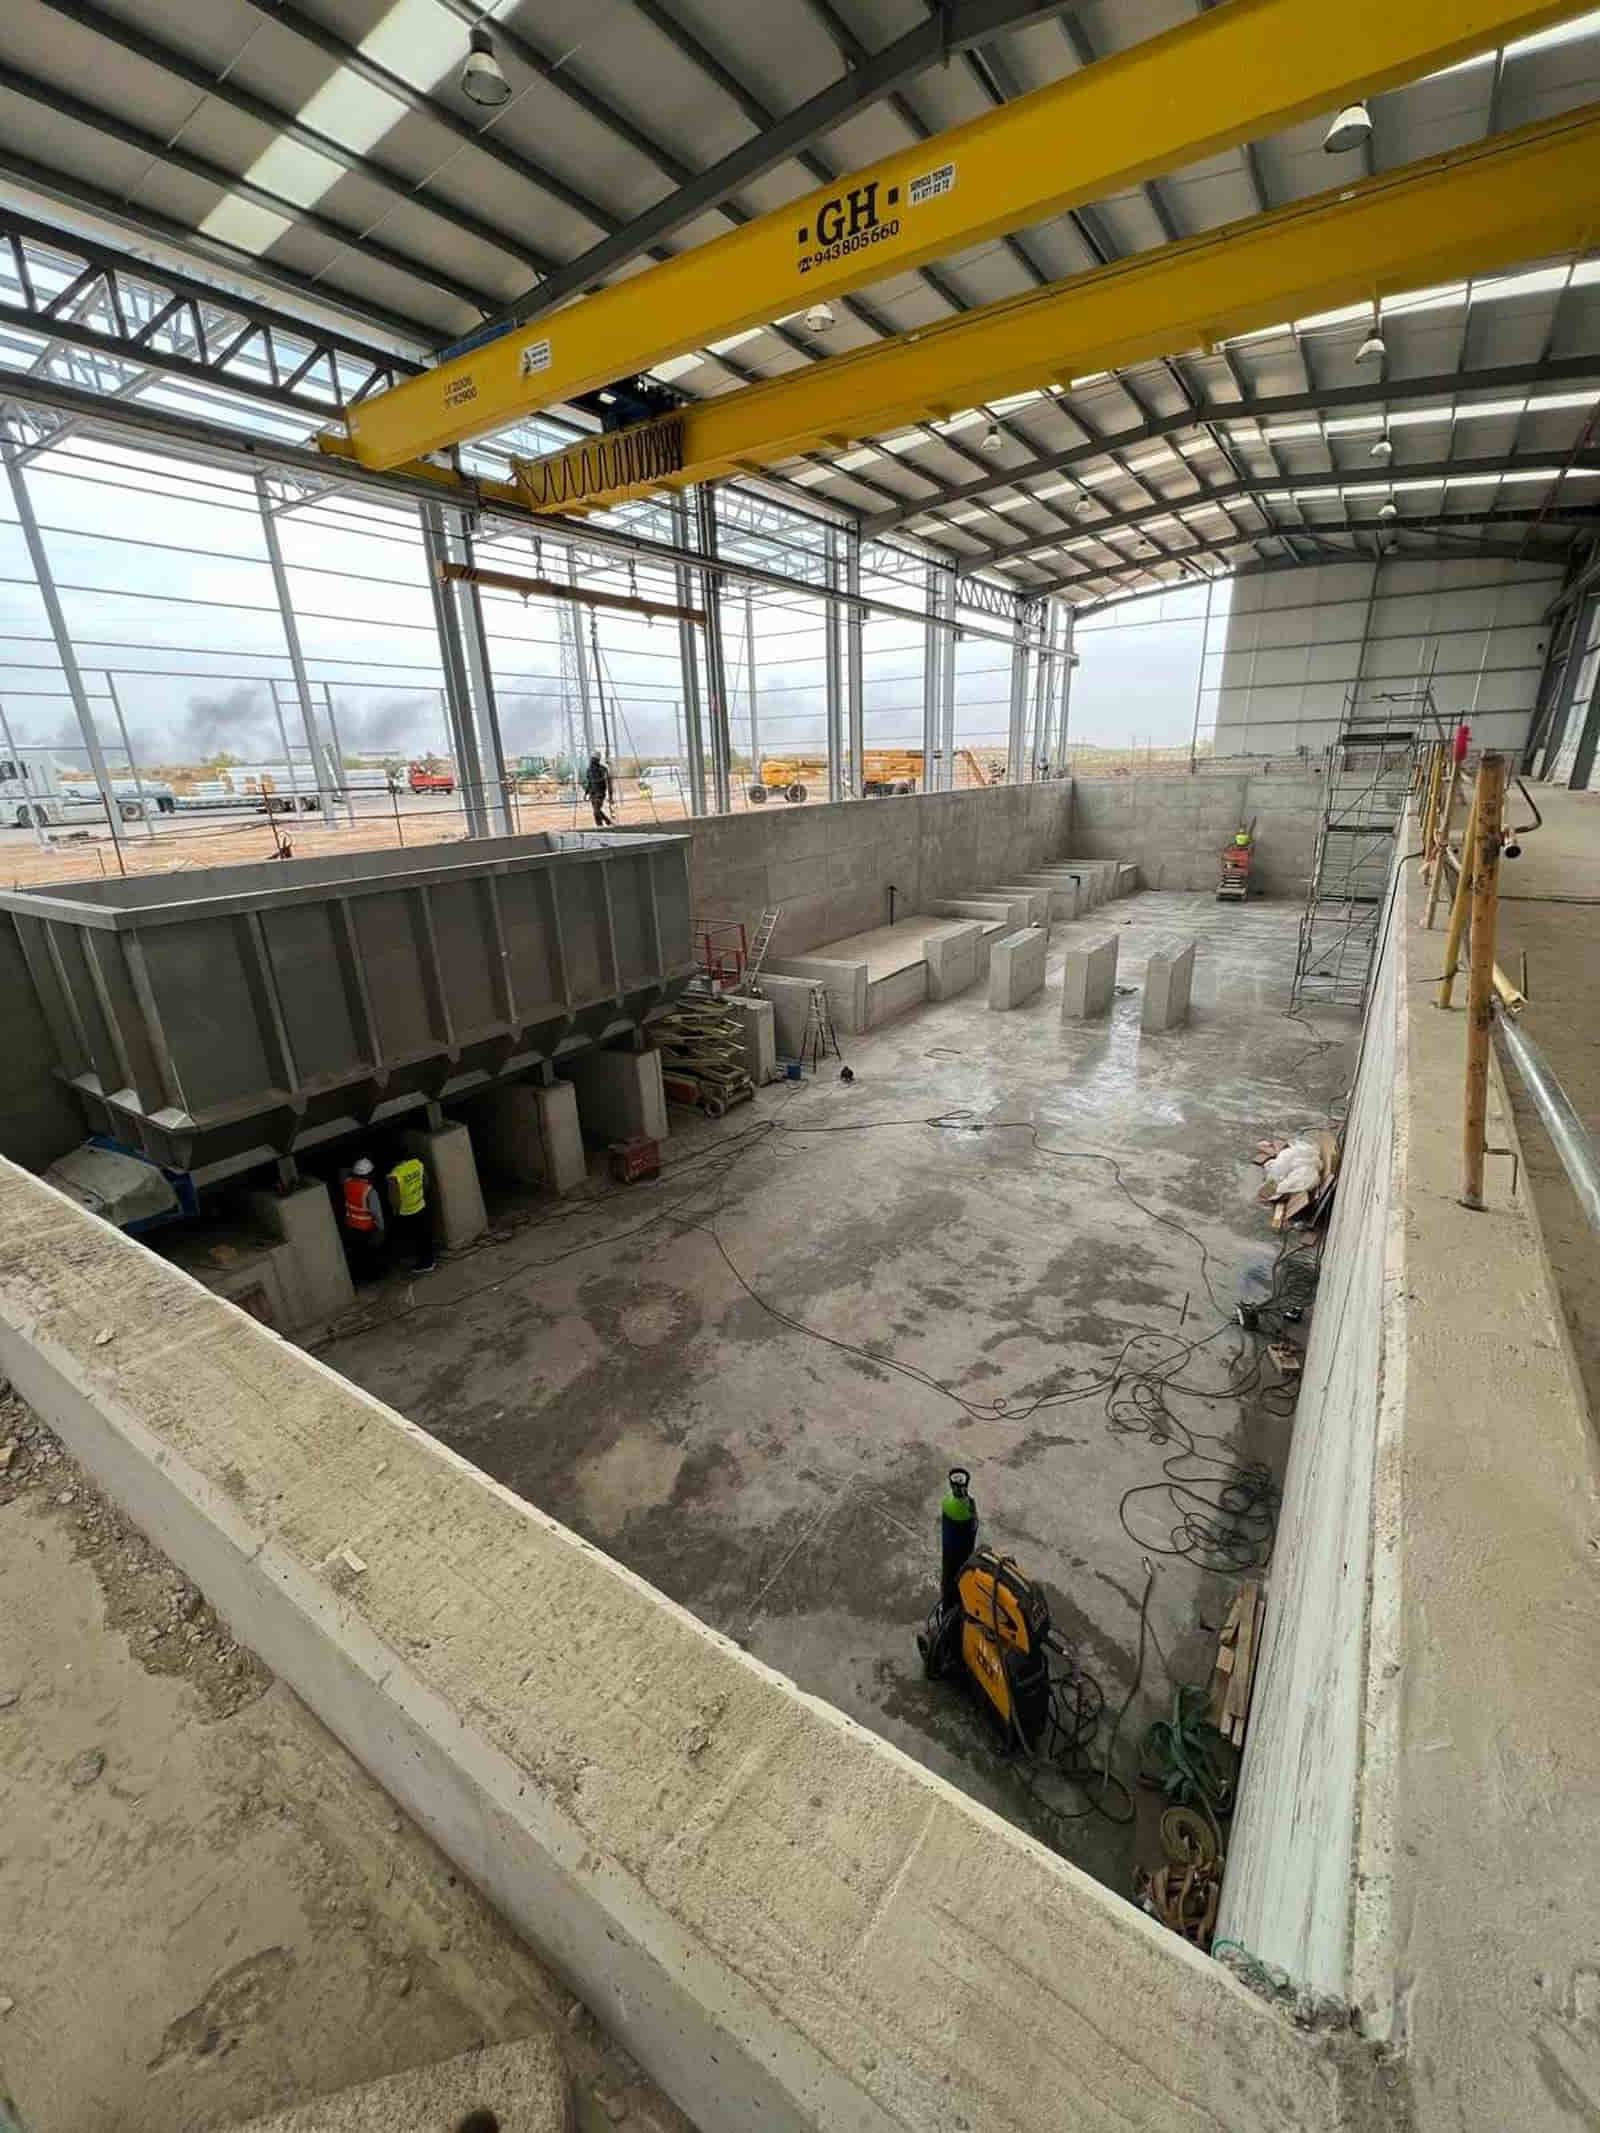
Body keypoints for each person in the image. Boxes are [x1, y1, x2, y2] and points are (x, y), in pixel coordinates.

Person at [385, 1151, 436, 1273]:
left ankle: (424, 1263)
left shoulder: (394, 1175)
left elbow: (394, 1198)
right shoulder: (417, 1164)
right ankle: (430, 1259)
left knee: (415, 1239)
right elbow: (426, 1182)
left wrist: (395, 1211)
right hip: (420, 1204)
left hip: (407, 1212)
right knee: (425, 1235)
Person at [338, 1154, 386, 1277]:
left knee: (358, 1253)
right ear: (369, 1174)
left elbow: (343, 1172)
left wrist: (354, 1171)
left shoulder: (347, 1183)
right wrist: (381, 1228)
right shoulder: (369, 1190)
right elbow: (376, 1212)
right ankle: (374, 1275)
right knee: (372, 1254)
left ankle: (362, 1274)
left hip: (351, 1226)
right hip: (367, 1228)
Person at [582, 752, 612, 827]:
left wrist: (610, 796)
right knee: (596, 811)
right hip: (592, 793)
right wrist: (586, 793)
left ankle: (605, 823)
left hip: (600, 793)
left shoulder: (603, 769)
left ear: (598, 759)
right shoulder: (589, 770)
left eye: (594, 759)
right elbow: (589, 783)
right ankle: (601, 825)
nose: (592, 760)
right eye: (592, 759)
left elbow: (607, 782)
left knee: (596, 811)